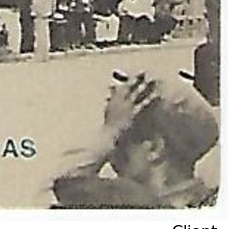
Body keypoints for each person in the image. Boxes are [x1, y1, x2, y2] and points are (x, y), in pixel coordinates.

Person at [51, 71, 219, 208]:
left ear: (154, 148)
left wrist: (109, 131)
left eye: (120, 138)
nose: (111, 152)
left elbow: (49, 195)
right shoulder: (211, 201)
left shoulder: (129, 206)